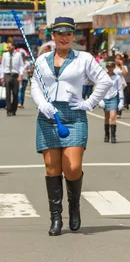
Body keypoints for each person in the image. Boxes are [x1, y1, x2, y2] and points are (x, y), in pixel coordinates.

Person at [31, 17, 112, 236]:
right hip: (48, 116)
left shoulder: (84, 58)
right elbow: (36, 85)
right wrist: (43, 104)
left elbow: (105, 81)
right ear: (53, 36)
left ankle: (74, 207)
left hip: (74, 115)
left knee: (73, 168)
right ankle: (56, 218)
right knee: (52, 168)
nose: (64, 37)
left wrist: (88, 103)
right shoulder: (42, 60)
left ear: (73, 36)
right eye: (60, 33)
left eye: (68, 34)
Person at [98, 57, 124, 144]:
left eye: (112, 66)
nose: (110, 68)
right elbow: (100, 88)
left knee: (113, 117)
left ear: (114, 67)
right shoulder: (103, 76)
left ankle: (113, 136)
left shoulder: (117, 77)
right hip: (105, 98)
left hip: (113, 98)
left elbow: (120, 89)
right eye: (108, 66)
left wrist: (121, 100)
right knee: (106, 117)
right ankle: (107, 135)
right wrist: (100, 100)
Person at [1, 42, 25, 116]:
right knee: (7, 93)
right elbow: (2, 66)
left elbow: (21, 65)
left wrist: (21, 75)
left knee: (15, 93)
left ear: (14, 47)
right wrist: (2, 77)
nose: (8, 48)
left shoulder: (18, 55)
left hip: (15, 75)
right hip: (7, 75)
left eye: (10, 47)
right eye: (7, 47)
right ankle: (8, 109)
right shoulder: (5, 55)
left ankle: (14, 109)